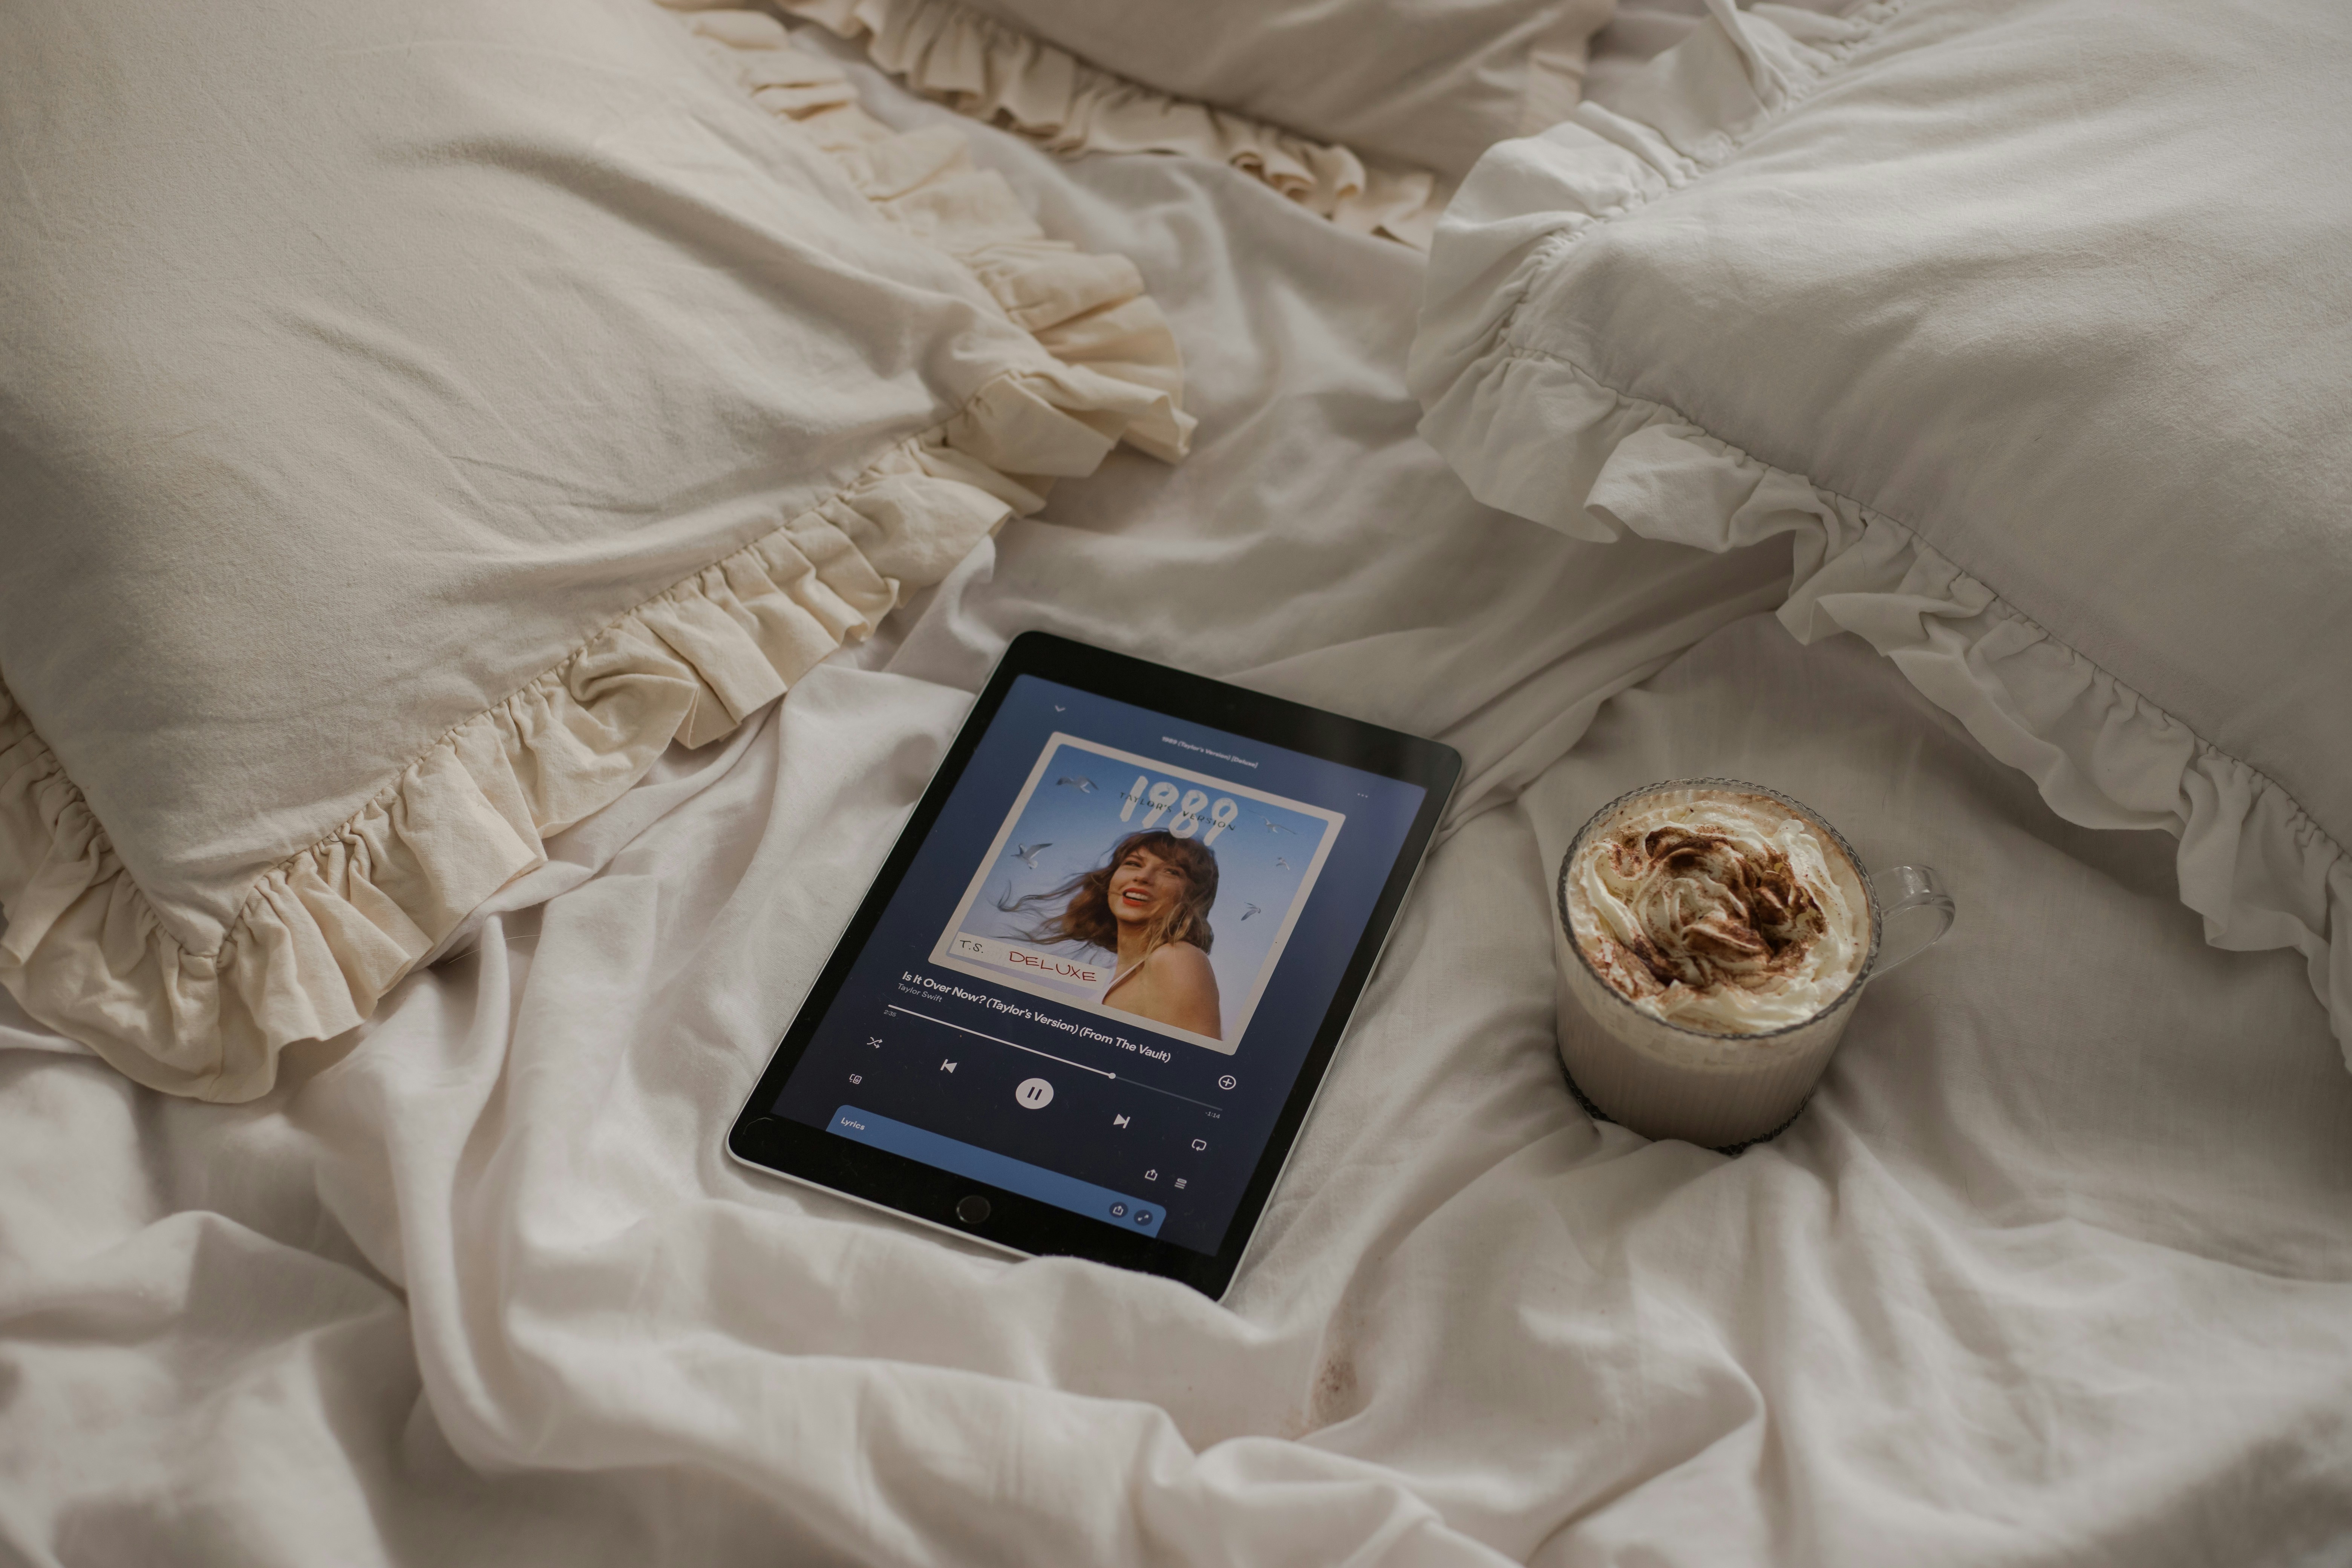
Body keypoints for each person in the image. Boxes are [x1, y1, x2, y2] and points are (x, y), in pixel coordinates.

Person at [1004, 830, 1223, 1039]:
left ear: (1193, 896)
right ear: (1111, 880)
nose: (1143, 877)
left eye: (1171, 871)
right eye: (1133, 864)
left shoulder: (1176, 958)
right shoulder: (1129, 973)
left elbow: (1194, 1068)